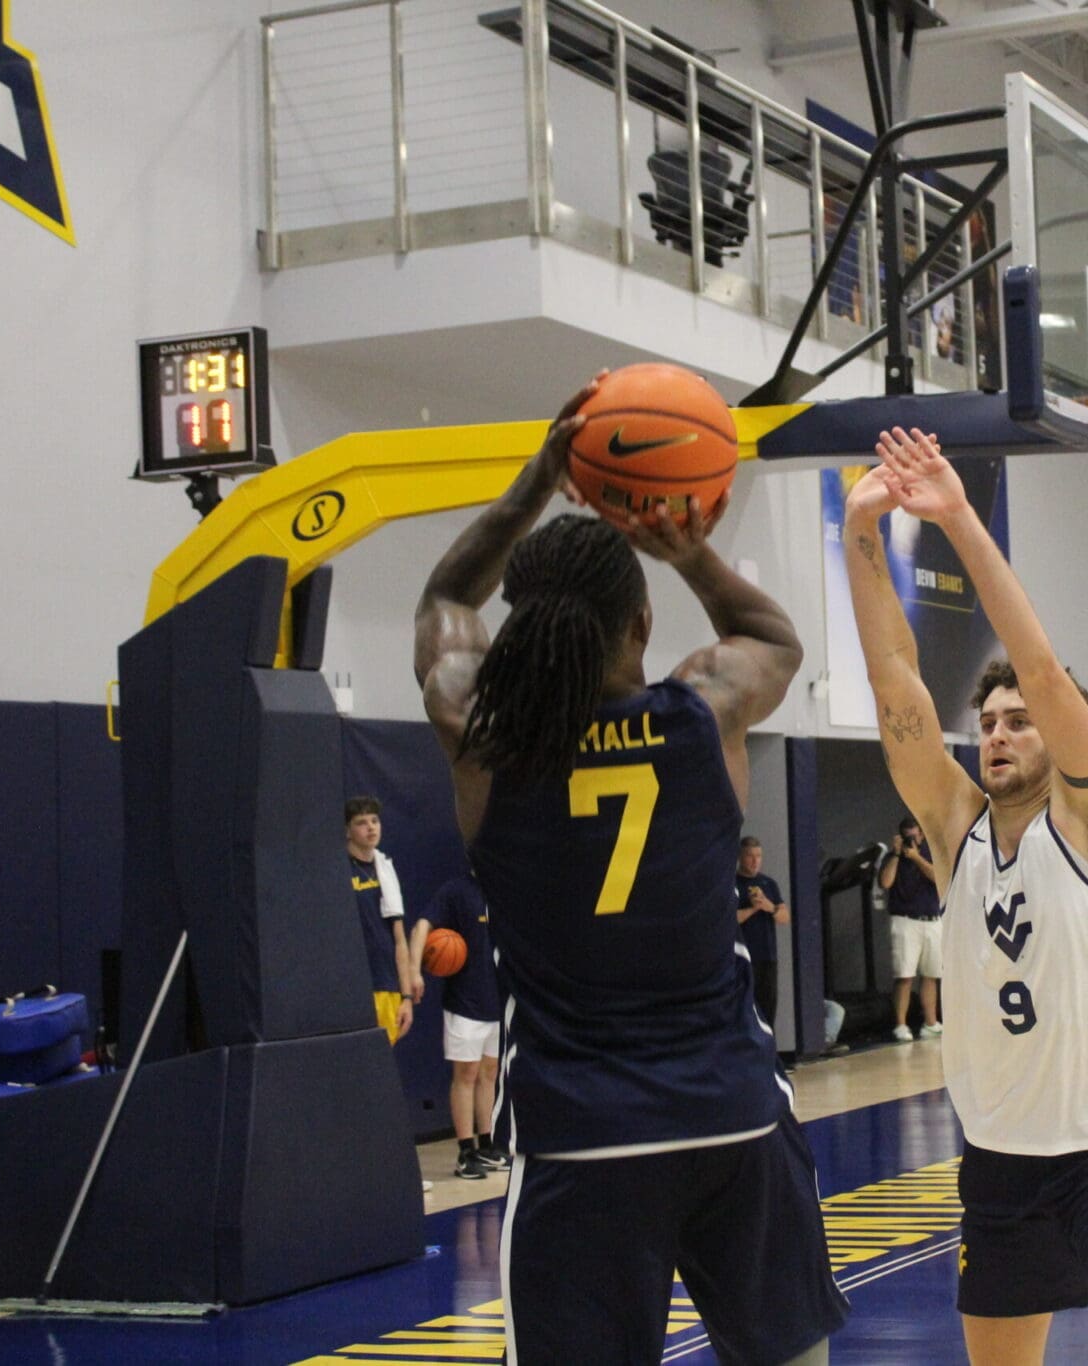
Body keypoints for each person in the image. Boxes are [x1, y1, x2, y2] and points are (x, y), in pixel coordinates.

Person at [413, 376, 847, 1366]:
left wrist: (534, 485)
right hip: (730, 1111)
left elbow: (445, 600)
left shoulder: (485, 737)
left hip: (582, 1133)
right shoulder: (703, 710)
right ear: (643, 624)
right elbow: (774, 639)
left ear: (519, 626)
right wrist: (684, 546)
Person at [843, 426, 1088, 1365]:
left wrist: (957, 517)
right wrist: (861, 532)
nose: (997, 733)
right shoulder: (957, 831)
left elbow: (1039, 665)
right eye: (987, 723)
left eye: (1020, 722)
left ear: (1063, 732)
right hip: (999, 1156)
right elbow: (893, 678)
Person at [409, 874, 509, 1181]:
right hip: (465, 1000)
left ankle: (486, 1144)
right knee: (466, 1075)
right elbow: (421, 926)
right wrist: (414, 971)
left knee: (490, 1073)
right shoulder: (456, 890)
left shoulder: (502, 886)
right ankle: (466, 1152)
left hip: (496, 998)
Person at [346, 797, 417, 1044]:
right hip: (351, 984)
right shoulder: (338, 870)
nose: (371, 828)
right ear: (347, 831)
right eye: (361, 823)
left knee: (382, 1058)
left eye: (374, 821)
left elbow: (399, 939)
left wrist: (406, 997)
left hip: (385, 982)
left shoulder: (386, 869)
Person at [879, 815, 942, 1042]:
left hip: (932, 919)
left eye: (914, 836)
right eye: (907, 837)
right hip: (905, 921)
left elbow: (938, 878)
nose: (911, 841)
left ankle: (930, 1022)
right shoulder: (892, 857)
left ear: (922, 835)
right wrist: (897, 854)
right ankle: (901, 1024)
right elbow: (885, 882)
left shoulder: (931, 854)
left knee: (931, 974)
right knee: (904, 974)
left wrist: (916, 857)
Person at [734, 837, 789, 1027]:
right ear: (740, 857)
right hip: (743, 958)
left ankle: (769, 1044)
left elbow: (784, 917)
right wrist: (754, 908)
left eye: (758, 856)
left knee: (768, 1009)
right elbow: (731, 919)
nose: (755, 861)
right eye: (750, 856)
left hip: (767, 958)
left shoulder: (768, 884)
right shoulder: (733, 883)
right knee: (744, 1009)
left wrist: (768, 906)